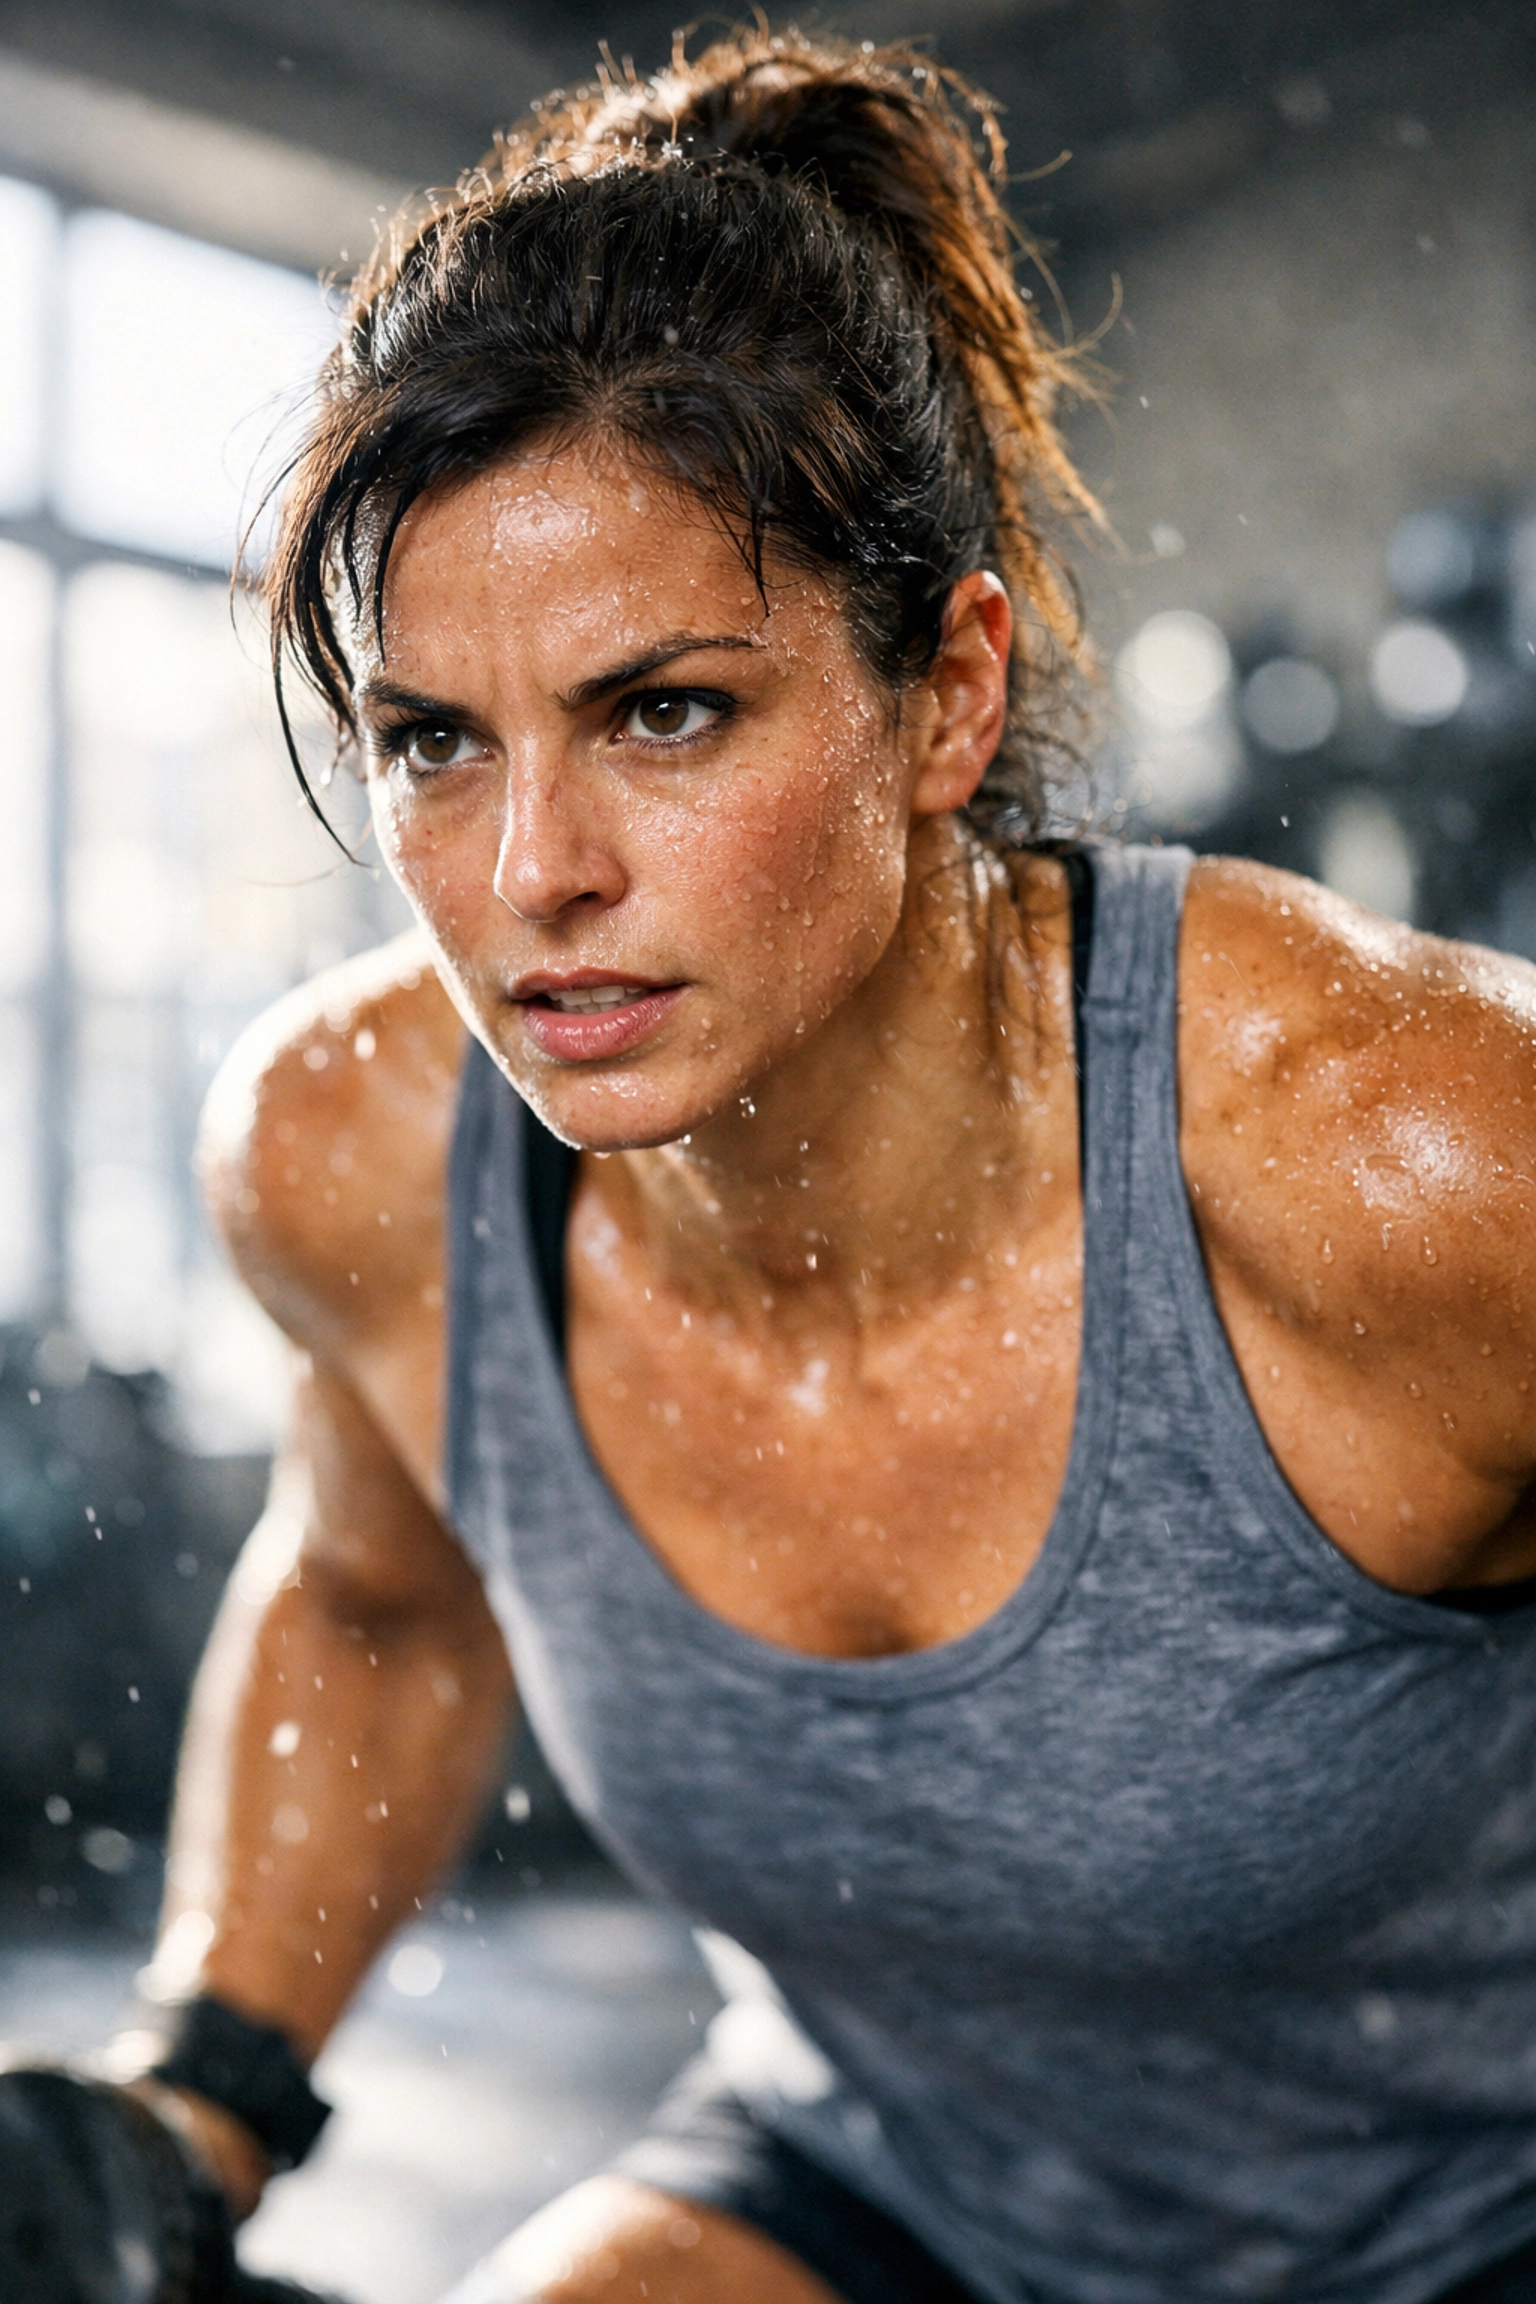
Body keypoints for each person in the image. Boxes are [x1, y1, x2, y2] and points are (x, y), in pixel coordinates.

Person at [9, 23, 1536, 2304]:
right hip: (878, 2182)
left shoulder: (1408, 1161)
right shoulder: (356, 1156)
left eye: (666, 711)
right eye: (432, 742)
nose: (533, 871)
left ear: (948, 697)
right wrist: (198, 2092)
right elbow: (375, 1599)